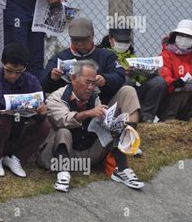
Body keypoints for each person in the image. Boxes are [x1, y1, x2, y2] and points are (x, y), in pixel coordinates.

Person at [39, 60, 144, 192]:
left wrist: (109, 121)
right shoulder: (56, 98)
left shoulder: (93, 96)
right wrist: (88, 113)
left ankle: (122, 169)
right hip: (59, 159)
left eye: (93, 83)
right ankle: (63, 176)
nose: (90, 87)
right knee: (63, 131)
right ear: (73, 79)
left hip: (89, 159)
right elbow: (63, 120)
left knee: (118, 121)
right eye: (87, 82)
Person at [41, 18, 141, 124]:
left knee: (128, 90)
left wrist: (105, 79)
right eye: (75, 39)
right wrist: (51, 78)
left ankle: (129, 133)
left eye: (83, 39)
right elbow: (42, 84)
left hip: (104, 109)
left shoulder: (106, 55)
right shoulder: (60, 58)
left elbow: (120, 75)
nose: (79, 43)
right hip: (71, 112)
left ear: (92, 36)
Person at [0, 43, 51, 178]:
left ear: (24, 68)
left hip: (19, 130)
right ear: (2, 63)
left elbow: (39, 113)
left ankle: (16, 158)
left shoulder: (31, 82)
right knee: (5, 118)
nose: (13, 76)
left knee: (45, 125)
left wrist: (41, 113)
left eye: (18, 72)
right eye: (9, 70)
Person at [98, 27, 168, 123]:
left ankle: (145, 117)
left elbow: (142, 80)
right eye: (119, 41)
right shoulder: (101, 54)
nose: (123, 44)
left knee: (159, 82)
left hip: (133, 94)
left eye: (126, 41)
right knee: (125, 79)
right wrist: (121, 72)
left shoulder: (131, 56)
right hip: (111, 98)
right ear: (110, 39)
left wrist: (150, 72)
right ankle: (125, 117)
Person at [157, 19, 192, 121]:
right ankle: (169, 120)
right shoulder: (166, 55)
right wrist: (174, 83)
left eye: (189, 37)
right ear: (174, 36)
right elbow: (164, 75)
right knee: (183, 93)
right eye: (181, 35)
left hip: (190, 102)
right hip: (169, 101)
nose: (184, 39)